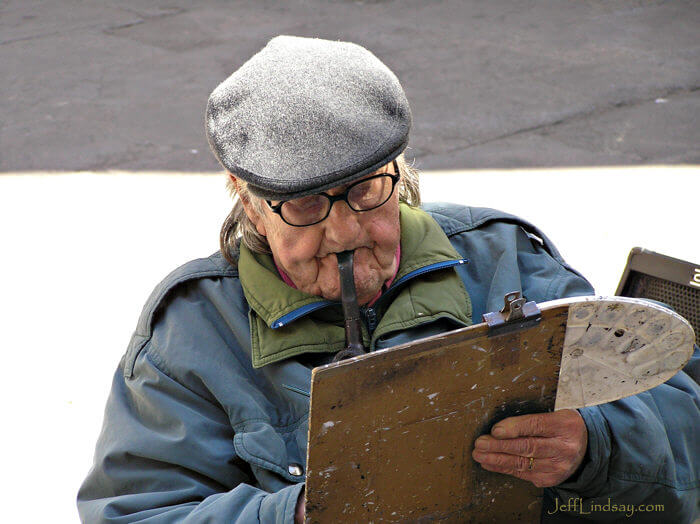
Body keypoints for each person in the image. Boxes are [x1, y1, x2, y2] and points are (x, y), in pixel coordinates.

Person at [78, 36, 699, 523]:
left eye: (367, 191)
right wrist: (296, 513)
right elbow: (138, 509)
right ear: (246, 201)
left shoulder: (503, 258)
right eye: (303, 205)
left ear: (399, 172)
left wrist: (594, 447)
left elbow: (683, 425)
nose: (345, 231)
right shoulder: (192, 330)